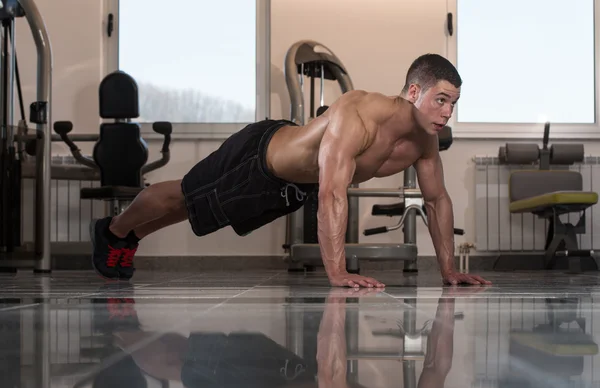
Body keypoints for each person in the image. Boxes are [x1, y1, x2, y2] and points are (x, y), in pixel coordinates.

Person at [90, 53, 491, 288]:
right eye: (441, 100)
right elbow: (332, 193)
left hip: (287, 187)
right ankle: (114, 230)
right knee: (183, 194)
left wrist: (449, 270)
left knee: (196, 209)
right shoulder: (360, 112)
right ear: (415, 91)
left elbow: (437, 200)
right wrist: (337, 272)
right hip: (260, 156)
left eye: (453, 104)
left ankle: (129, 234)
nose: (447, 112)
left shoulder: (425, 142)